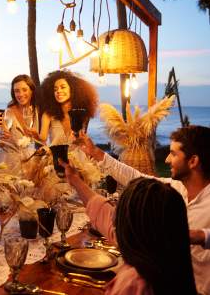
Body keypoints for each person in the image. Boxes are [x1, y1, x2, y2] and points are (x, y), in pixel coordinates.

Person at [77, 125, 210, 294]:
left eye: (174, 153)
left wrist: (200, 235)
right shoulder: (176, 188)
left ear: (193, 161)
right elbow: (137, 178)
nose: (167, 159)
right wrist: (97, 154)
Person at [61, 159, 197, 295]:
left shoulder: (134, 283)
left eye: (118, 215)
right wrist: (75, 180)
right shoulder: (166, 259)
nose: (113, 221)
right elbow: (104, 213)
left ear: (133, 231)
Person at [0, 74, 39, 172]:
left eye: (24, 90)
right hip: (6, 163)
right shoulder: (9, 112)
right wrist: (3, 138)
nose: (20, 94)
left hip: (28, 161)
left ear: (31, 90)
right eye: (17, 91)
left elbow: (41, 139)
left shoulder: (37, 111)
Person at [34, 70, 98, 145]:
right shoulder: (48, 115)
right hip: (57, 155)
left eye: (63, 87)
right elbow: (43, 138)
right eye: (55, 89)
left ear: (72, 89)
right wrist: (34, 135)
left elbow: (81, 140)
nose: (58, 91)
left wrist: (82, 140)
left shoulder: (82, 113)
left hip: (78, 155)